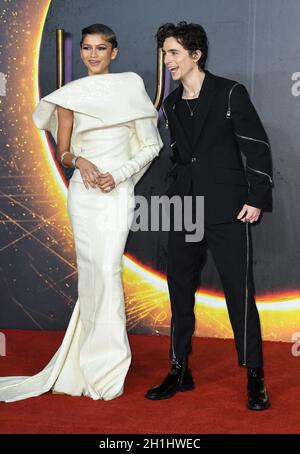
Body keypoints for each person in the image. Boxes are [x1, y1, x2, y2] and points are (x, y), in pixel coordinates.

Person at [0, 23, 163, 402]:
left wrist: (117, 174)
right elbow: (64, 152)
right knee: (91, 275)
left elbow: (151, 145)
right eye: (87, 48)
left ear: (114, 52)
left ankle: (107, 366)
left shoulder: (131, 88)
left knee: (108, 270)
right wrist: (81, 161)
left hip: (116, 191)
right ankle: (87, 360)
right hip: (84, 194)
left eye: (101, 48)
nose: (93, 54)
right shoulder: (69, 95)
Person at [145, 22, 273, 410]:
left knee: (239, 291)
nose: (167, 61)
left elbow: (257, 147)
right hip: (185, 208)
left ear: (195, 55)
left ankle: (255, 375)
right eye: (165, 53)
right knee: (179, 289)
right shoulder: (170, 104)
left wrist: (257, 196)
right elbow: (181, 157)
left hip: (229, 207)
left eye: (173, 53)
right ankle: (179, 367)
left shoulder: (230, 92)